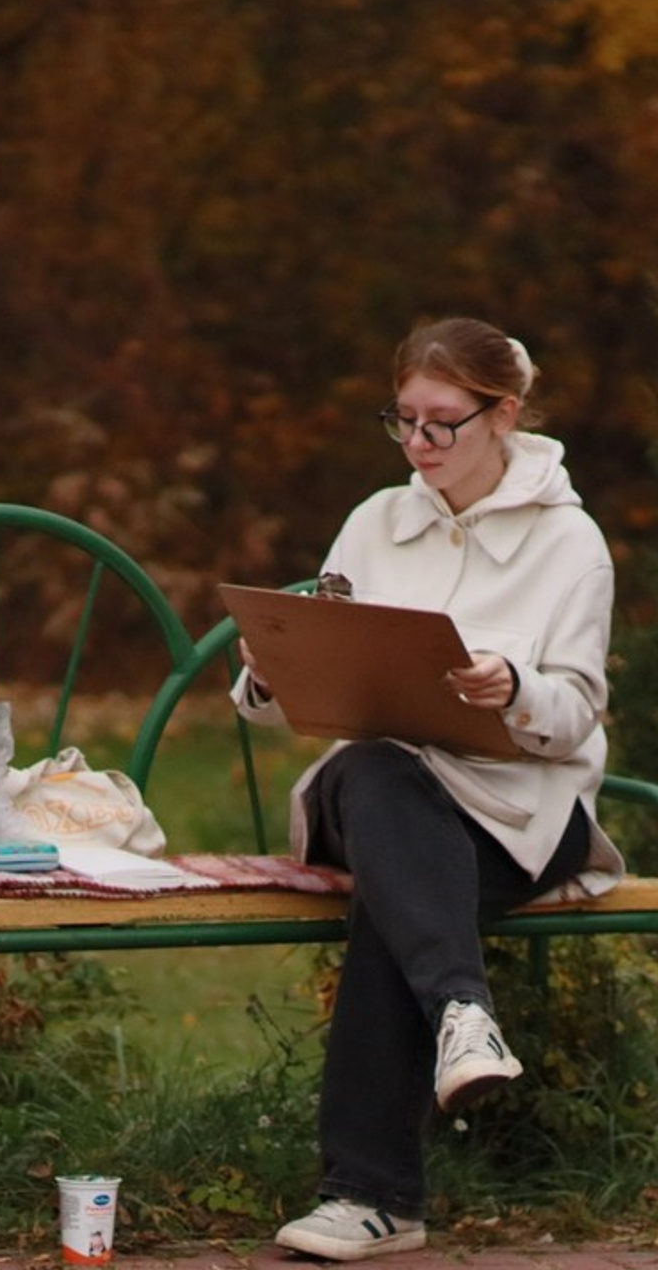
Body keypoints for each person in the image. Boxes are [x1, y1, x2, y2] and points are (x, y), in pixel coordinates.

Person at [233, 318, 623, 1262]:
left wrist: (514, 688)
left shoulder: (570, 542)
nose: (418, 442)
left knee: (398, 900)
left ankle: (373, 1200)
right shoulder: (375, 522)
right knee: (378, 776)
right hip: (378, 792)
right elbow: (306, 693)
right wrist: (274, 671)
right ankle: (462, 1017)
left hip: (519, 814)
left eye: (441, 422)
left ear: (505, 415)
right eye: (402, 419)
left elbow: (576, 714)